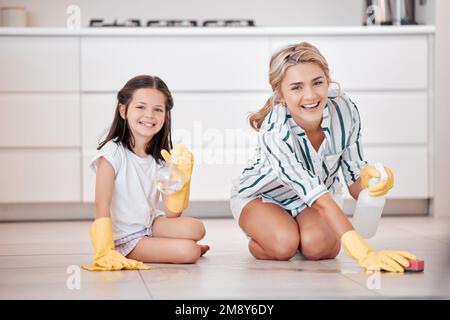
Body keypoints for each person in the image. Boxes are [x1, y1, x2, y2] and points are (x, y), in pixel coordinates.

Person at [230, 42, 416, 272]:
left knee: (319, 248)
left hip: (313, 202)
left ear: (328, 81)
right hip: (264, 197)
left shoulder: (345, 110)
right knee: (283, 245)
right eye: (296, 87)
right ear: (280, 95)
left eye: (317, 83)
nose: (310, 96)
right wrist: (363, 252)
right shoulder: (275, 132)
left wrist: (372, 182)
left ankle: (299, 232)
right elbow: (317, 197)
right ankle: (271, 237)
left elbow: (354, 181)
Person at [82, 75, 209, 271]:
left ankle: (164, 246)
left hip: (150, 223)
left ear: (165, 115)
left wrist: (181, 178)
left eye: (158, 109)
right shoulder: (112, 153)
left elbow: (171, 213)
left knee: (197, 228)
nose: (149, 115)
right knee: (189, 251)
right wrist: (104, 249)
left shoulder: (161, 157)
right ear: (123, 110)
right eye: (141, 107)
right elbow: (101, 204)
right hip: (125, 236)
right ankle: (168, 248)